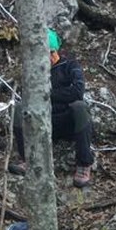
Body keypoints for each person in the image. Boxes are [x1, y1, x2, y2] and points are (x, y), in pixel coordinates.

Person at [9, 29, 94, 188]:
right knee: (19, 108)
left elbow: (77, 92)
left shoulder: (70, 66)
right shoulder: (34, 71)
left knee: (80, 107)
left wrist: (47, 94)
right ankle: (26, 159)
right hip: (43, 122)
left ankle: (84, 164)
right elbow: (28, 96)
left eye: (51, 52)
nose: (48, 56)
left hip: (67, 120)